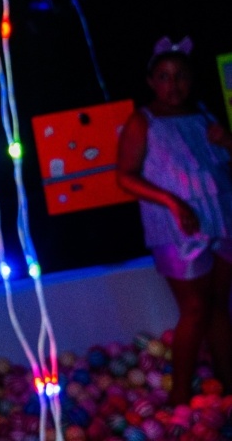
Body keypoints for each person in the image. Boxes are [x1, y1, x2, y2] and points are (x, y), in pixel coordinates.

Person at [117, 35, 232, 406]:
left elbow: (218, 168)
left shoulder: (204, 115)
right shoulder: (142, 121)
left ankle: (227, 384)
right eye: (164, 76)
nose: (173, 84)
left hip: (221, 218)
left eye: (180, 76)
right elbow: (125, 175)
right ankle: (180, 395)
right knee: (195, 309)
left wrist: (228, 142)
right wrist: (171, 200)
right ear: (151, 81)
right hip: (176, 226)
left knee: (216, 303)